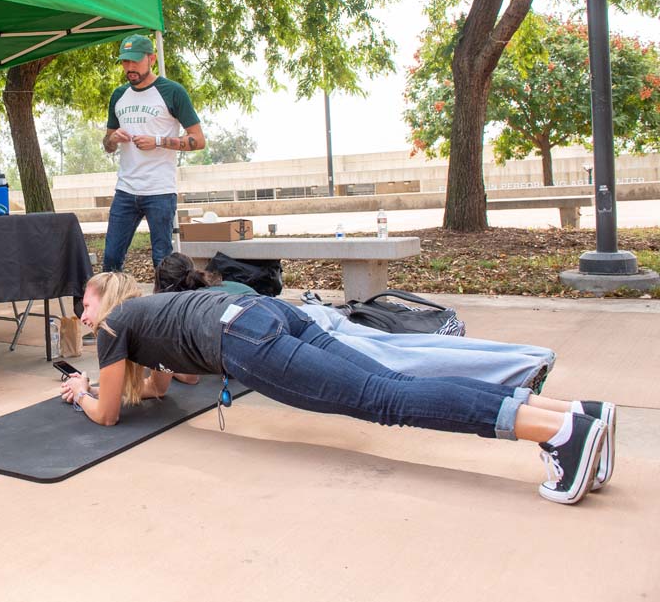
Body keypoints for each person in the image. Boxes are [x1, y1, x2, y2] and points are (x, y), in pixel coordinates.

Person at [60, 272, 617, 505]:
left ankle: (559, 432)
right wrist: (138, 375)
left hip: (246, 341)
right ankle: (578, 415)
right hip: (268, 314)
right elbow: (168, 381)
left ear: (103, 300)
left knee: (387, 399)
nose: (80, 312)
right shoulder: (143, 317)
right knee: (391, 383)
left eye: (84, 301)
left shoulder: (114, 327)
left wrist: (82, 390)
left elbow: (108, 415)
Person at [153, 253, 554, 390]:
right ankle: (525, 355)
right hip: (314, 315)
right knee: (404, 348)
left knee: (395, 365)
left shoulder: (184, 309)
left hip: (295, 334)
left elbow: (188, 376)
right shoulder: (225, 287)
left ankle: (520, 367)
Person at [102, 34, 205, 272]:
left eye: (135, 61)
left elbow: (198, 140)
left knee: (162, 261)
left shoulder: (172, 92)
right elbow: (107, 144)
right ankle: (115, 308)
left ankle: (165, 308)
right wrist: (113, 139)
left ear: (152, 59)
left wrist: (157, 141)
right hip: (125, 190)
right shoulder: (118, 96)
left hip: (159, 190)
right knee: (111, 258)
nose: (130, 67)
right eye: (125, 62)